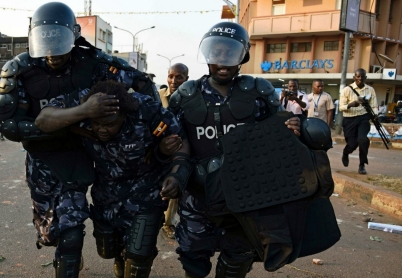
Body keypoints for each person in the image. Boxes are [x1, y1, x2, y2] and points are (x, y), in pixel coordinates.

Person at [0, 2, 159, 277]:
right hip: (44, 159)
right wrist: (70, 124)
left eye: (59, 41)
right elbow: (10, 127)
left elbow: (143, 85)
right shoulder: (19, 70)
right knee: (51, 233)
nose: (53, 53)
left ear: (73, 35)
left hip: (86, 154)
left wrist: (145, 136)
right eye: (45, 41)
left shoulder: (94, 63)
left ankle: (86, 257)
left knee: (73, 233)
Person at [168, 22, 305, 278]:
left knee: (239, 257)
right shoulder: (186, 97)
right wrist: (175, 174)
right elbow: (178, 143)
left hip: (245, 196)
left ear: (242, 56)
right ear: (208, 55)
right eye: (217, 52)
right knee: (193, 257)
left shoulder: (258, 92)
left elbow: (280, 129)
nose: (223, 61)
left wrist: (293, 125)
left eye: (230, 54)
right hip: (198, 195)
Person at [38, 79, 186, 277]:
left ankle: (132, 260)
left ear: (124, 115)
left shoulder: (146, 109)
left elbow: (181, 141)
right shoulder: (83, 104)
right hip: (106, 195)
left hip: (146, 191)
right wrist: (82, 113)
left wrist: (174, 171)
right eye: (96, 124)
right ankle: (120, 257)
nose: (101, 130)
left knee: (139, 254)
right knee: (108, 249)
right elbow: (42, 121)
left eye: (109, 124)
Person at [158, 63, 189, 239]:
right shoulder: (159, 96)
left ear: (186, 79)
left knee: (175, 187)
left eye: (179, 77)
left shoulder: (191, 98)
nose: (174, 80)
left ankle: (168, 223)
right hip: (160, 150)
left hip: (181, 149)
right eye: (171, 76)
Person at [339, 68, 378, 175]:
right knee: (352, 144)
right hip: (349, 119)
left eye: (362, 76)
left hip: (363, 118)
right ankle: (346, 152)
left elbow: (374, 106)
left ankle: (362, 165)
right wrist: (351, 104)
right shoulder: (347, 89)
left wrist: (375, 115)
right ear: (354, 77)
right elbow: (341, 107)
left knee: (363, 140)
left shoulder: (370, 90)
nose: (360, 78)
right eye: (358, 76)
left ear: (365, 78)